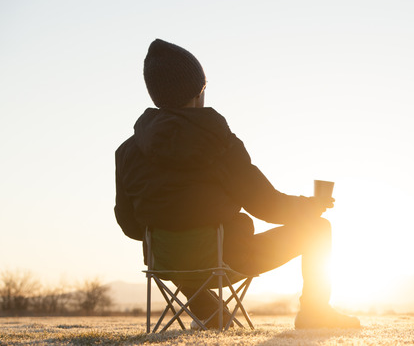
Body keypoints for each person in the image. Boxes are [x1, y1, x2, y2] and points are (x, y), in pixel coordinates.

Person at [114, 39, 359, 330]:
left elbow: (131, 225)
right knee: (318, 229)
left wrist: (173, 234)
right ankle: (315, 313)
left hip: (166, 263)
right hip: (228, 258)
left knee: (184, 249)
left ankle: (210, 311)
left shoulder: (128, 152)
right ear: (198, 92)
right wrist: (311, 206)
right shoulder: (219, 143)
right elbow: (267, 206)